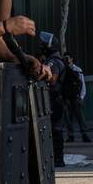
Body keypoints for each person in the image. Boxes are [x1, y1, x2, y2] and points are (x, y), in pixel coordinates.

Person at [38, 32, 67, 167]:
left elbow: (53, 79)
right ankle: (56, 157)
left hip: (55, 99)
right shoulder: (54, 59)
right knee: (53, 128)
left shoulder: (54, 61)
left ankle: (58, 159)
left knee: (55, 129)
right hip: (55, 98)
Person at [62, 53, 90, 143]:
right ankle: (71, 136)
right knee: (68, 118)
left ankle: (84, 134)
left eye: (68, 58)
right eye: (65, 58)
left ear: (72, 59)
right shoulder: (63, 69)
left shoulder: (77, 70)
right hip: (66, 97)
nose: (66, 60)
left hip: (76, 97)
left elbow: (82, 84)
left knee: (80, 117)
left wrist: (81, 97)